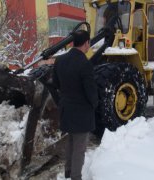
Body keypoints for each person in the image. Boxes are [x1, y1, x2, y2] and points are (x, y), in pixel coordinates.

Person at [52, 30, 98, 180]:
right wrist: (95, 104)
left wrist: (63, 101)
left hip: (66, 110)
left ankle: (68, 172)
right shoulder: (85, 64)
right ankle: (75, 176)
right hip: (82, 113)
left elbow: (55, 84)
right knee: (79, 148)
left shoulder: (60, 60)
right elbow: (91, 91)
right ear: (86, 43)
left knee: (71, 143)